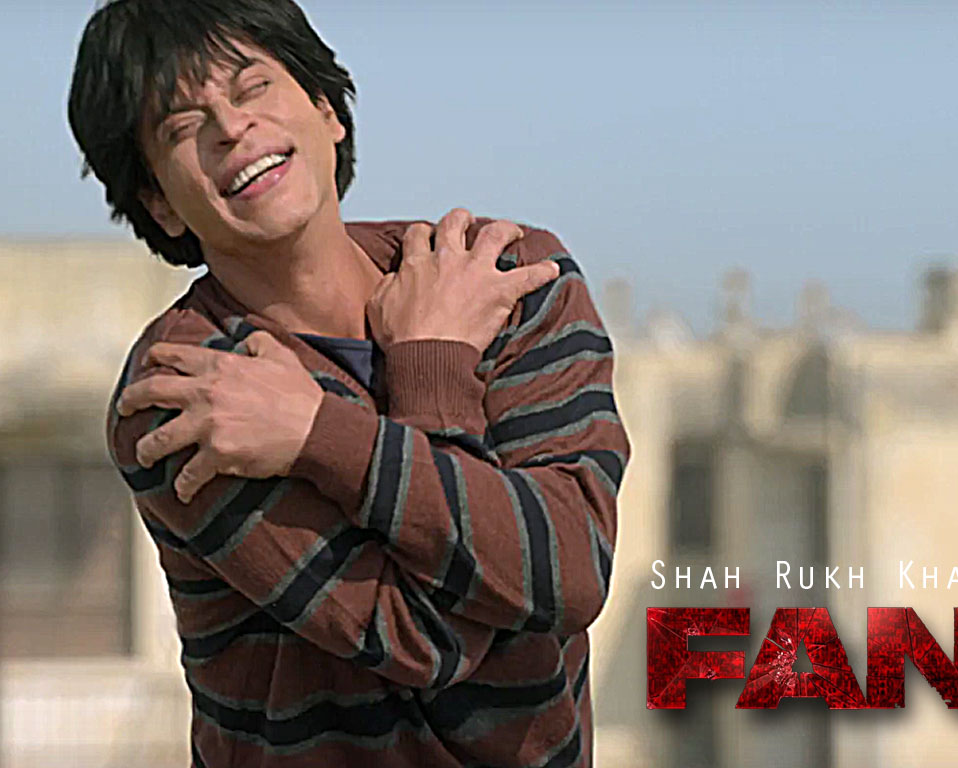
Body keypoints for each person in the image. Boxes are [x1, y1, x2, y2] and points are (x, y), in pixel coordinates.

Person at [68, 1, 629, 765]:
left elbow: (567, 570)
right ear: (160, 203)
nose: (231, 127)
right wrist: (432, 375)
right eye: (183, 126)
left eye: (253, 86)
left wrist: (319, 432)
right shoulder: (188, 389)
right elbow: (427, 638)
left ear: (327, 110)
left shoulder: (505, 274)